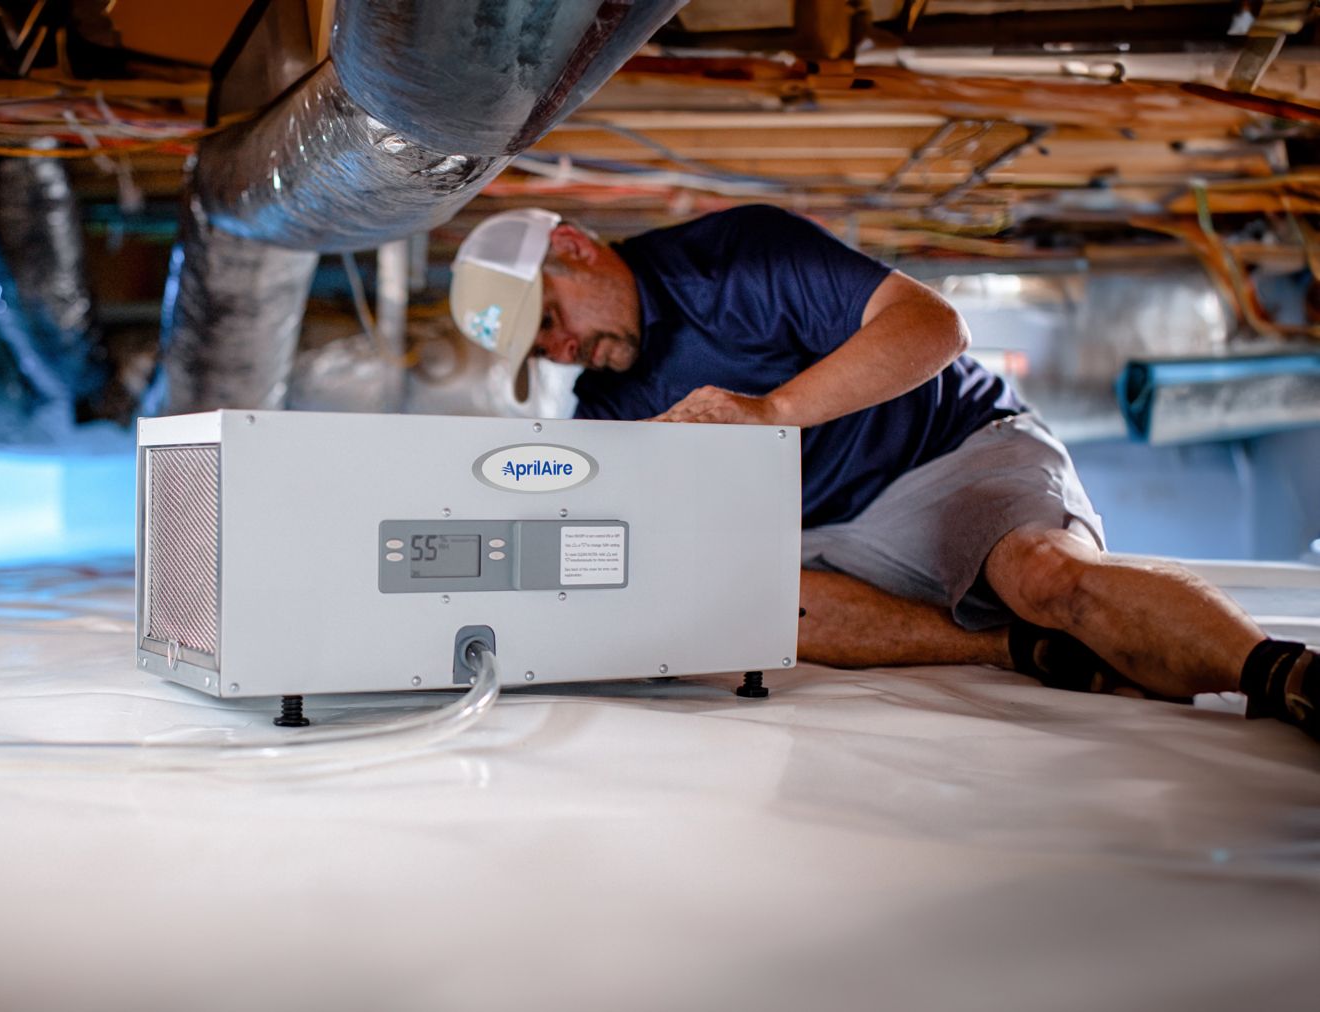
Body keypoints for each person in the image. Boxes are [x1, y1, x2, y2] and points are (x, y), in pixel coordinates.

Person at [448, 204, 1318, 740]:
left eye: (553, 317)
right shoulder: (602, 406)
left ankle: (1284, 676)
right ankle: (1013, 649)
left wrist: (771, 413)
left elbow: (934, 328)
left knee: (1046, 577)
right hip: (832, 539)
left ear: (574, 245)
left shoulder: (736, 258)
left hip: (949, 451)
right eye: (544, 347)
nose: (565, 350)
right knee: (738, 598)